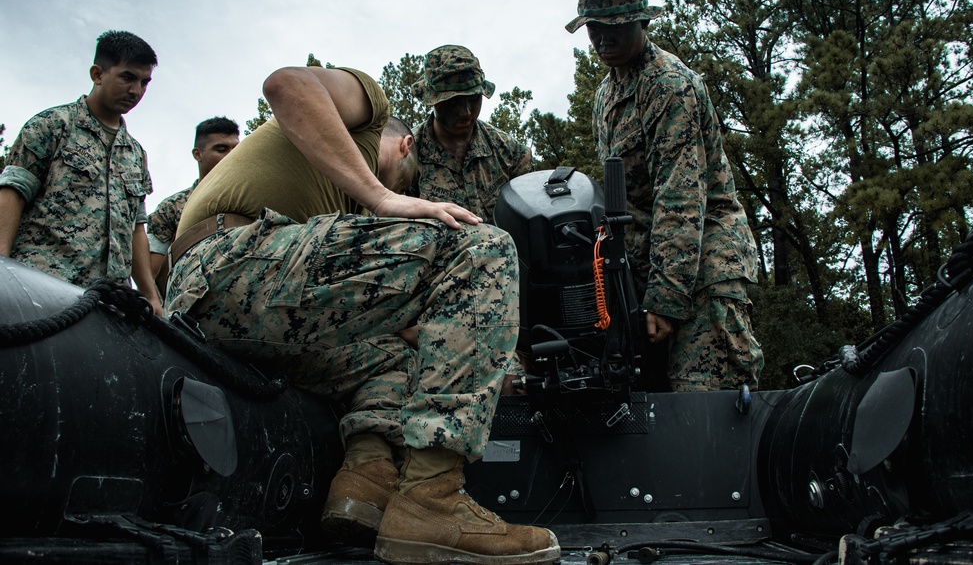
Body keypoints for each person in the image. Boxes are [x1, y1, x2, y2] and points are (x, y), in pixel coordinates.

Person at [164, 64, 559, 565]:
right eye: (408, 181)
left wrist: (487, 355)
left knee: (391, 359)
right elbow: (285, 85)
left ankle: (365, 485)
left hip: (229, 308)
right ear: (403, 147)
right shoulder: (371, 110)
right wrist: (385, 195)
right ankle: (433, 501)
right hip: (232, 257)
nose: (396, 198)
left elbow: (396, 319)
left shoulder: (328, 203)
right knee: (480, 248)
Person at [566, 0, 763, 392]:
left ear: (644, 23)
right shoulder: (606, 93)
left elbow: (680, 199)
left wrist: (666, 299)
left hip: (703, 269)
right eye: (594, 29)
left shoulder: (669, 86)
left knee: (702, 406)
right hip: (646, 271)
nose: (603, 39)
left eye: (615, 28)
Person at [0, 30, 162, 315]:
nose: (136, 90)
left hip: (109, 304)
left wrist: (151, 295)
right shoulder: (53, 125)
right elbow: (13, 194)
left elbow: (136, 229)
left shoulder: (135, 154)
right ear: (98, 74)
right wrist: (1, 266)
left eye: (144, 82)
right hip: (40, 287)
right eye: (127, 77)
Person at [409, 45, 532, 222]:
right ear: (434, 101)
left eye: (474, 99)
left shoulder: (511, 154)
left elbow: (529, 219)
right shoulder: (407, 158)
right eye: (454, 102)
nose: (466, 112)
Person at [148, 116, 241, 283]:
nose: (231, 156)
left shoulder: (250, 203)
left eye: (236, 149)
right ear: (198, 154)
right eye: (221, 149)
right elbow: (153, 273)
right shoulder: (172, 208)